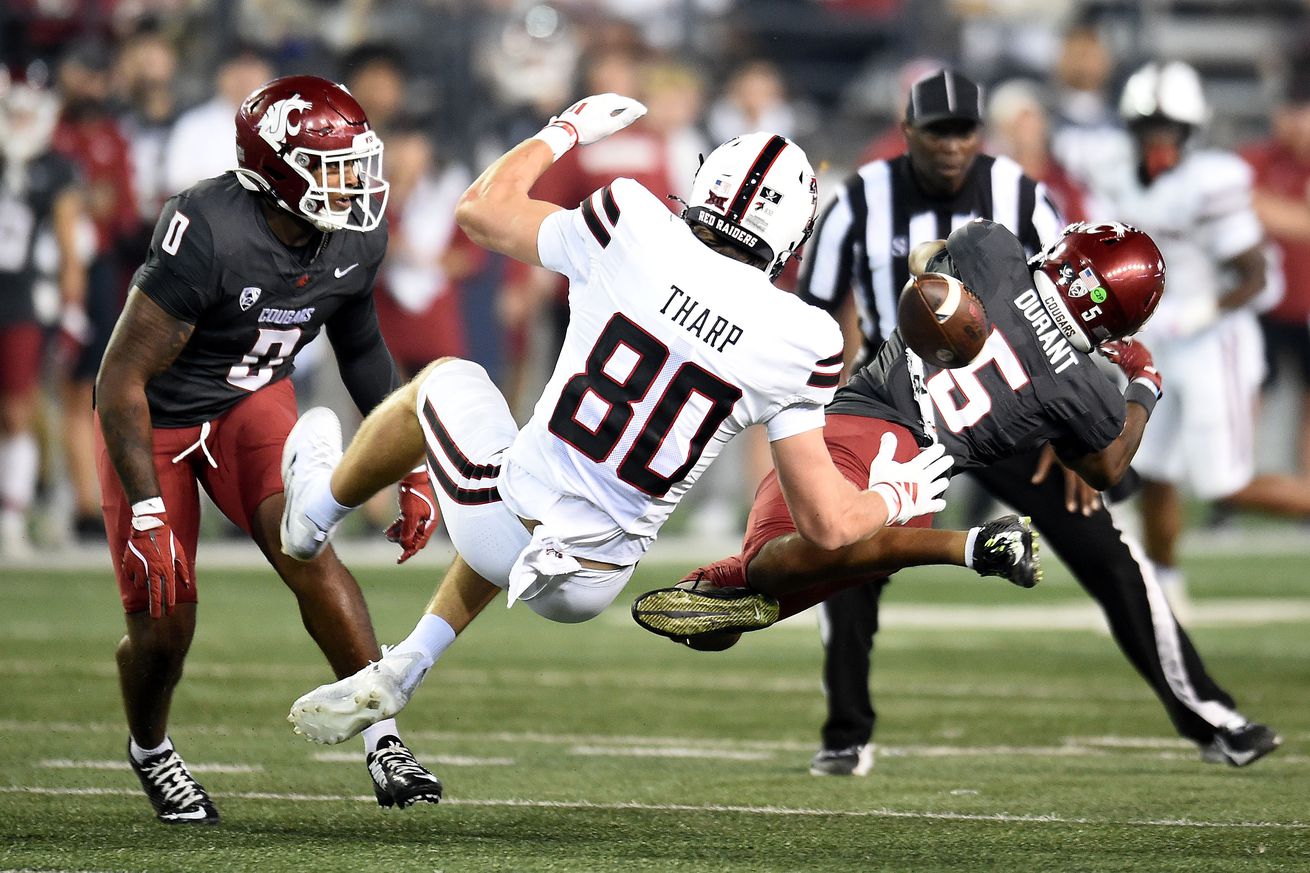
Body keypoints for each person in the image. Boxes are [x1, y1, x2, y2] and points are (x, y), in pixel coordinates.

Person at [634, 69, 1283, 774]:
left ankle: (1213, 715)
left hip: (962, 429)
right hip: (958, 420)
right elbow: (828, 319)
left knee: (1104, 560)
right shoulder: (880, 205)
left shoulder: (999, 226)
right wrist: (1139, 386)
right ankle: (844, 723)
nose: (950, 145)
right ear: (908, 130)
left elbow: (982, 287)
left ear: (979, 135)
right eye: (937, 130)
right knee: (853, 559)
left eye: (962, 130)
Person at [281, 95, 959, 752]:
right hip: (598, 576)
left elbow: (481, 211)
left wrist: (565, 130)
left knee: (445, 384)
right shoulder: (804, 337)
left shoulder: (629, 219)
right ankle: (406, 665)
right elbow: (830, 526)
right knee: (527, 478)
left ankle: (312, 517)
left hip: (511, 523)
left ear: (709, 183)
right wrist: (894, 495)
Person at [95, 76, 444, 824]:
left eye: (359, 162)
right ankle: (150, 749)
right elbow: (119, 376)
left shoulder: (355, 233)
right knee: (164, 623)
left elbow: (365, 354)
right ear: (278, 169)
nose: (356, 183)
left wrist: (412, 463)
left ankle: (381, 733)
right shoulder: (208, 226)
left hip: (250, 401)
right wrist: (149, 516)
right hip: (155, 417)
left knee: (307, 545)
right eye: (337, 165)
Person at [1094, 61, 1310, 605]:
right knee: (1153, 470)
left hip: (1217, 342)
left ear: (1192, 130)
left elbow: (1255, 274)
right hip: (1160, 343)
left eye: (1169, 127)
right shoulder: (1117, 174)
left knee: (1225, 483)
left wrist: (1193, 314)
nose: (1158, 139)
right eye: (1148, 126)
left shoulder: (1214, 179)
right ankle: (1164, 589)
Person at [0, 63, 86, 556]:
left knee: (19, 409)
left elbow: (71, 249)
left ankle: (13, 519)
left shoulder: (56, 167)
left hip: (22, 298)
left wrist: (72, 312)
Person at [1241, 63, 1310, 480]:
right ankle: (1230, 490)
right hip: (1260, 300)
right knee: (1249, 394)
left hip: (1306, 303)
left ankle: (1305, 494)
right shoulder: (1258, 158)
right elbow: (1245, 202)